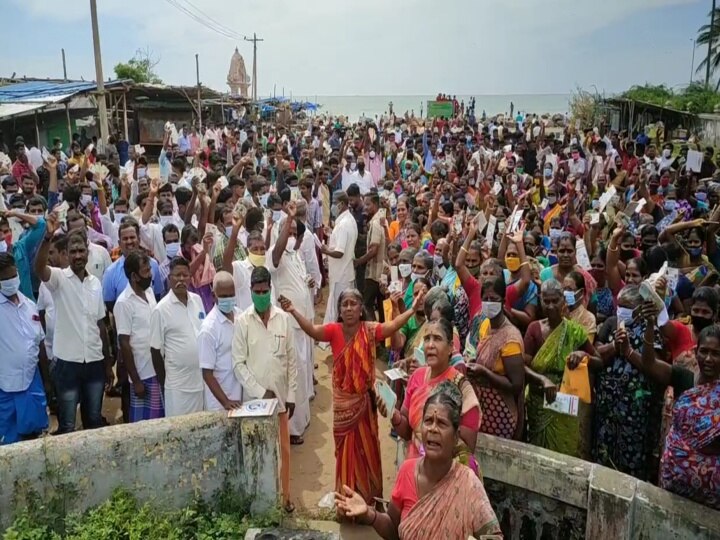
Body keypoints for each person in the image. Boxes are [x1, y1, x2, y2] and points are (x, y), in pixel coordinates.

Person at [279, 287, 425, 508]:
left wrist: (413, 309)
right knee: (345, 453)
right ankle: (346, 501)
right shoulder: (333, 331)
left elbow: (392, 327)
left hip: (365, 404)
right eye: (344, 304)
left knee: (368, 452)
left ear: (360, 309)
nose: (348, 308)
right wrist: (293, 311)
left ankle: (370, 499)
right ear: (339, 310)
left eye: (353, 304)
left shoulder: (369, 330)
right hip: (342, 406)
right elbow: (311, 330)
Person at [335, 381, 501, 540]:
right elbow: (394, 528)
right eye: (428, 421)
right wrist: (370, 515)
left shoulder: (467, 483)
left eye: (442, 423)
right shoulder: (407, 470)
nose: (433, 429)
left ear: (456, 436)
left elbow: (493, 536)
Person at [633, 312, 720, 511]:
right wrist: (650, 326)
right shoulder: (684, 378)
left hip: (711, 495)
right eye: (704, 351)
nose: (708, 358)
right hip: (674, 482)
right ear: (696, 352)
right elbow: (649, 364)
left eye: (715, 353)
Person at [34, 216, 114, 434]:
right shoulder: (58, 279)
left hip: (95, 362)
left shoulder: (95, 283)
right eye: (73, 251)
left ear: (87, 252)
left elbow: (101, 325)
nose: (78, 255)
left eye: (81, 251)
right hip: (67, 364)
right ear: (66, 254)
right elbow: (39, 269)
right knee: (68, 424)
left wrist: (107, 364)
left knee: (94, 420)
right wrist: (47, 237)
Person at [233, 266, 297, 513]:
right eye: (256, 291)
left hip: (280, 401)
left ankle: (285, 498)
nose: (261, 295)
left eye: (264, 290)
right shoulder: (242, 322)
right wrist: (261, 393)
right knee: (258, 453)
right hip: (256, 404)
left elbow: (291, 361)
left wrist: (291, 396)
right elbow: (238, 364)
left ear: (270, 289)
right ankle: (261, 503)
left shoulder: (283, 319)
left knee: (283, 453)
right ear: (250, 291)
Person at [380, 317, 480, 472]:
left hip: (445, 474)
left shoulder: (460, 387)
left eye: (437, 339)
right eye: (427, 339)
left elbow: (466, 449)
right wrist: (394, 414)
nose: (430, 345)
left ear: (450, 348)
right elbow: (407, 431)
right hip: (414, 470)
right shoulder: (417, 376)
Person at [592, 284, 665, 482]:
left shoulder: (650, 331)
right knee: (605, 456)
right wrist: (615, 346)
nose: (621, 311)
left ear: (639, 309)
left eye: (626, 307)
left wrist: (629, 352)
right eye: (619, 306)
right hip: (608, 406)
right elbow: (596, 352)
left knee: (631, 462)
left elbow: (654, 367)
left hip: (635, 410)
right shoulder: (611, 324)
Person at [524, 279, 598, 458]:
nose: (550, 306)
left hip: (565, 403)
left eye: (555, 301)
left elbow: (599, 361)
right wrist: (542, 379)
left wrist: (583, 355)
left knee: (564, 453)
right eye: (546, 301)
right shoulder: (534, 329)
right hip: (538, 402)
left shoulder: (574, 331)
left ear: (563, 301)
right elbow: (522, 365)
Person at [267, 200, 313, 444]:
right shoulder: (276, 256)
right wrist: (288, 220)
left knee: (302, 373)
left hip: (301, 322)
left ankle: (301, 421)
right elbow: (277, 252)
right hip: (289, 324)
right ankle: (292, 429)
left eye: (295, 232)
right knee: (293, 375)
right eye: (289, 232)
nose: (293, 236)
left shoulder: (294, 255)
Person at [466, 276, 526, 440]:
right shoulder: (486, 325)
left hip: (500, 412)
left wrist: (485, 373)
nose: (489, 302)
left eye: (494, 299)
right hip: (481, 406)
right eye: (485, 299)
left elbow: (516, 384)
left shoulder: (510, 338)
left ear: (503, 301)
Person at [0, 252, 49, 444]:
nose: (11, 281)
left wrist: (46, 380)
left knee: (35, 437)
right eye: (5, 278)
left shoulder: (29, 305)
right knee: (8, 444)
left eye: (13, 275)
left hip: (31, 382)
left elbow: (39, 343)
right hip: (4, 387)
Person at [150, 257, 206, 417]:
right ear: (169, 278)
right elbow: (155, 351)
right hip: (178, 388)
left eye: (185, 275)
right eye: (177, 275)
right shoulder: (160, 310)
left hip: (200, 383)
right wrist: (165, 382)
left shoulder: (197, 300)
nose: (181, 279)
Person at [113, 250, 164, 422]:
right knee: (146, 425)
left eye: (150, 270)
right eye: (146, 272)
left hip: (158, 367)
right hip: (143, 372)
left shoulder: (149, 292)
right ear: (134, 276)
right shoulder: (124, 303)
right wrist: (136, 381)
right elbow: (124, 344)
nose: (150, 275)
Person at [198, 271, 243, 411]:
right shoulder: (209, 329)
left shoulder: (240, 316)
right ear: (213, 296)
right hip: (219, 403)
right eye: (223, 296)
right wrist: (225, 402)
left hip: (240, 396)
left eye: (231, 295)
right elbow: (207, 374)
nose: (228, 299)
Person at [321, 191, 357, 324]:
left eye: (334, 203)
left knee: (339, 309)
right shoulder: (349, 220)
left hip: (341, 275)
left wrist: (326, 250)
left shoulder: (343, 225)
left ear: (341, 204)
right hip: (345, 272)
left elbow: (340, 252)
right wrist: (331, 234)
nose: (332, 207)